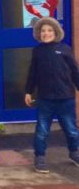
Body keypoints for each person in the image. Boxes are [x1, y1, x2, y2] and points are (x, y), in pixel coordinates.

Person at [24, 16, 79, 173]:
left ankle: (74, 153)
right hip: (45, 99)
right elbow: (32, 73)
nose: (46, 33)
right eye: (43, 31)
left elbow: (75, 71)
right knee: (42, 130)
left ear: (56, 32)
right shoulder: (37, 51)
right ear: (38, 34)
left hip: (66, 98)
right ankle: (40, 157)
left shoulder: (65, 49)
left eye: (49, 30)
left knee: (71, 129)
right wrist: (28, 91)